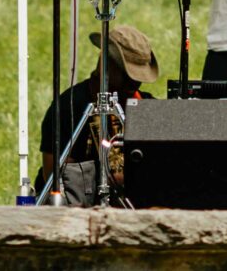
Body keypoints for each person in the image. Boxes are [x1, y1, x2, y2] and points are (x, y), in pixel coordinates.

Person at [35, 23, 159, 204]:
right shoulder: (68, 107)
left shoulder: (147, 106)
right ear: (106, 65)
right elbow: (55, 180)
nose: (135, 84)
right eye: (129, 76)